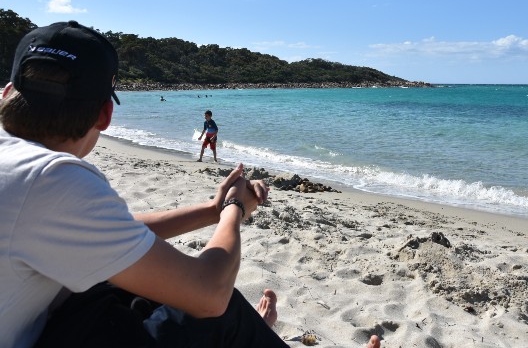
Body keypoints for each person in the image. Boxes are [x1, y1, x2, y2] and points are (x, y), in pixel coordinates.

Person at [0, 21, 380, 348]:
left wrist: (212, 210)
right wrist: (235, 210)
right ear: (105, 114)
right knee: (221, 311)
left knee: (125, 289)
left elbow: (113, 233)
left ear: (7, 92)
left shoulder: (20, 167)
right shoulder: (52, 179)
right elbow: (210, 295)